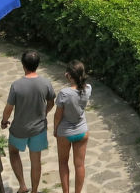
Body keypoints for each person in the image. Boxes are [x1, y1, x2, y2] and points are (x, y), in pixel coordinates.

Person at [1, 50, 56, 193]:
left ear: (23, 65)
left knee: (13, 152)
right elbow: (51, 102)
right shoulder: (46, 83)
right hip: (39, 129)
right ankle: (34, 190)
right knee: (36, 161)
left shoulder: (16, 85)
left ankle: (22, 185)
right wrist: (44, 113)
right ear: (37, 65)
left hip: (19, 129)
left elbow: (8, 109)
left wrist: (4, 121)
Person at [54, 61, 92, 193]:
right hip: (82, 131)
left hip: (65, 133)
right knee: (80, 165)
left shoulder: (64, 93)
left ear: (69, 75)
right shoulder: (88, 89)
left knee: (63, 163)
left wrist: (55, 130)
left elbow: (57, 116)